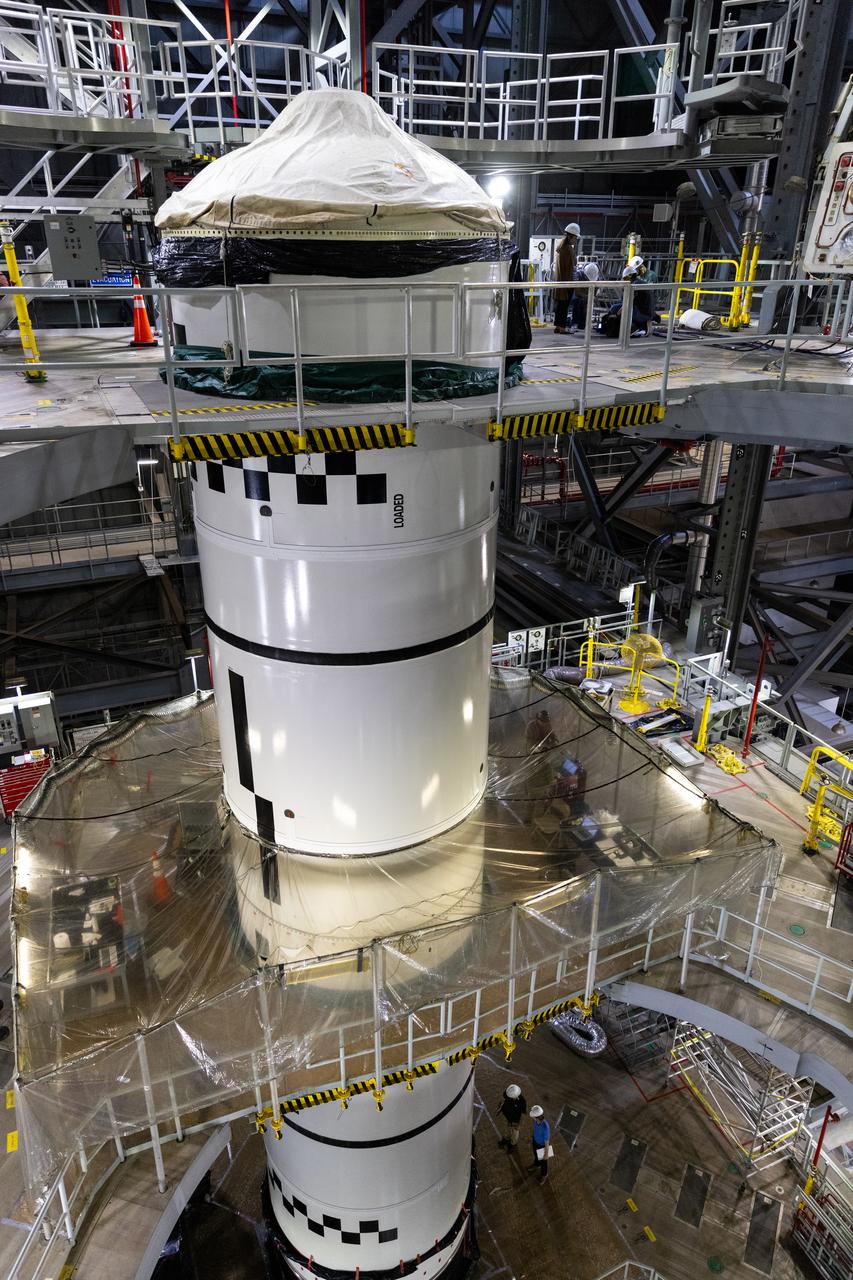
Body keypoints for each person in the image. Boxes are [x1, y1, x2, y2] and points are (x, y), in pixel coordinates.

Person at [553, 223, 580, 333]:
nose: (576, 240)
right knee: (564, 305)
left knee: (560, 305)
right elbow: (572, 267)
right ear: (571, 236)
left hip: (560, 281)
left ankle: (558, 326)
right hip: (567, 281)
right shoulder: (568, 250)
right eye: (576, 237)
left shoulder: (561, 247)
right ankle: (562, 327)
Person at [496, 1082, 527, 1150]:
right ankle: (507, 1139)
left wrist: (519, 1124)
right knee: (508, 1129)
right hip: (508, 1117)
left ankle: (513, 1143)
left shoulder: (522, 1101)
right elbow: (503, 1101)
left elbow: (523, 1114)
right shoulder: (507, 1093)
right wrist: (500, 1108)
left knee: (515, 1133)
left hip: (516, 1120)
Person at [570, 261, 600, 332]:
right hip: (576, 295)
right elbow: (577, 291)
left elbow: (596, 288)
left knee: (587, 304)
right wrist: (587, 296)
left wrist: (593, 297)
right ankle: (575, 322)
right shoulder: (578, 274)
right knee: (577, 301)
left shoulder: (596, 277)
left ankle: (584, 323)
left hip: (586, 295)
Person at [530, 1104, 551, 1182]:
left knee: (544, 1163)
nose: (532, 1117)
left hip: (542, 1146)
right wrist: (533, 1137)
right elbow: (535, 1130)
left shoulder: (545, 1127)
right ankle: (536, 1164)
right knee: (536, 1155)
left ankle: (544, 1175)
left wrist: (546, 1154)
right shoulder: (536, 1121)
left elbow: (547, 1141)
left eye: (533, 1116)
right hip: (535, 1142)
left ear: (536, 1117)